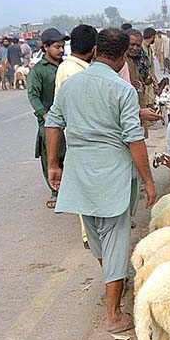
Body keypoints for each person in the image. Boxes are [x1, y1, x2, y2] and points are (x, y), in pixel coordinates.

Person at [45, 28, 157, 334]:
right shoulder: (123, 90)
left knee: (97, 238)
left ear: (95, 50)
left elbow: (52, 122)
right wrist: (148, 180)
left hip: (79, 173)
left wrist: (54, 164)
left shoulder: (71, 85)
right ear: (122, 56)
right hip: (113, 174)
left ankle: (111, 282)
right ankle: (114, 315)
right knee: (116, 240)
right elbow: (134, 139)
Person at [54, 24, 98, 248]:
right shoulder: (78, 73)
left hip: (74, 133)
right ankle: (89, 235)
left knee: (86, 184)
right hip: (84, 136)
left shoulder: (65, 67)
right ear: (94, 49)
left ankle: (89, 233)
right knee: (89, 186)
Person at [27, 28, 69, 209]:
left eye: (63, 46)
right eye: (57, 46)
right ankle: (56, 192)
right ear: (45, 47)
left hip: (70, 119)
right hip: (50, 121)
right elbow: (33, 95)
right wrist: (45, 114)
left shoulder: (66, 67)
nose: (61, 50)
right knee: (51, 156)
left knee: (69, 156)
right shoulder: (38, 71)